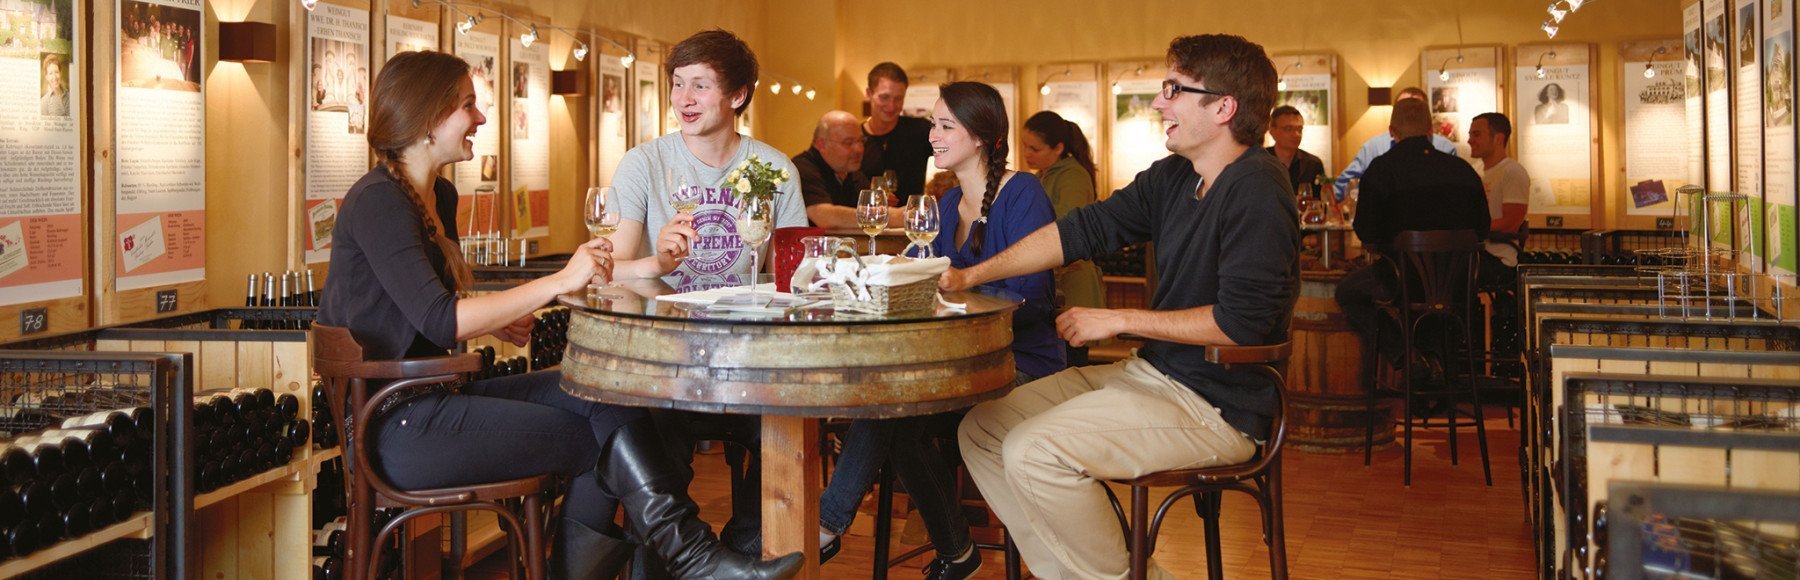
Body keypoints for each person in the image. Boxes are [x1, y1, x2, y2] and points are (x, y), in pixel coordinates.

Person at [315, 50, 800, 580]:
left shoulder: (437, 194)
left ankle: (691, 559)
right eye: (468, 105)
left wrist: (495, 317)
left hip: (436, 395)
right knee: (602, 439)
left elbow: (423, 303)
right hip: (396, 426)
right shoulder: (379, 201)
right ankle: (696, 559)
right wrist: (558, 282)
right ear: (428, 117)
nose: (480, 118)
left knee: (602, 391)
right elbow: (439, 319)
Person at [947, 34, 1299, 579]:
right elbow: (1082, 229)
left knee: (1034, 450)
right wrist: (973, 273)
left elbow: (1242, 324)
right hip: (1154, 377)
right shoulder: (1176, 175)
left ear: (1224, 107)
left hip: (1219, 405)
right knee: (983, 428)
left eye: (1173, 89)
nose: (1159, 103)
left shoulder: (1257, 185)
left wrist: (1120, 319)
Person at [812, 82, 1064, 580]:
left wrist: (951, 295)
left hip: (1020, 363)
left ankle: (828, 526)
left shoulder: (1023, 193)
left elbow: (1031, 297)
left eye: (946, 125)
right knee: (892, 411)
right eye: (933, 123)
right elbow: (920, 282)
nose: (932, 135)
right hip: (956, 367)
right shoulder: (945, 205)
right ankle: (955, 552)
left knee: (893, 415)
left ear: (984, 137)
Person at [605, 29, 808, 559]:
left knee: (787, 442)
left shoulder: (775, 170)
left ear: (737, 95)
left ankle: (737, 558)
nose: (684, 100)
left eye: (700, 85)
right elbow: (608, 271)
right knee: (656, 454)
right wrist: (657, 262)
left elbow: (798, 277)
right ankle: (674, 565)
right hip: (665, 364)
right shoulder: (644, 164)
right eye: (677, 85)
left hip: (751, 363)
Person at [1334, 98, 1490, 391]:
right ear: (1431, 130)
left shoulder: (1381, 170)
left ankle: (1406, 355)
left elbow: (1366, 232)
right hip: (1460, 285)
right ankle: (1435, 362)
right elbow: (1483, 229)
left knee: (1348, 293)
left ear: (1392, 131)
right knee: (1430, 305)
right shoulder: (1463, 171)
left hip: (1400, 283)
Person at [1020, 111, 1106, 314]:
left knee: (1070, 344)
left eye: (1035, 148)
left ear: (1058, 148)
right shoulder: (1043, 175)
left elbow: (1068, 221)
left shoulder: (1073, 175)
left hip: (1072, 281)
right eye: (1025, 146)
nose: (1026, 153)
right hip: (1052, 276)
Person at [1332, 87, 1460, 199]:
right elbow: (1341, 188)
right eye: (1403, 108)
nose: (1410, 114)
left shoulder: (1445, 147)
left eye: (1416, 107)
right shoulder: (1373, 148)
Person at [792, 110, 902, 229]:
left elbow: (866, 207)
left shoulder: (850, 171)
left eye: (861, 141)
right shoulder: (802, 168)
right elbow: (825, 217)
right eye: (848, 143)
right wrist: (892, 216)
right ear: (822, 144)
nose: (859, 149)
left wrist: (880, 206)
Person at [1467, 112, 1530, 272]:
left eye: (1476, 134)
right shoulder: (1475, 171)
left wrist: (1470, 229)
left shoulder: (1512, 172)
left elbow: (1511, 223)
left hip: (1499, 258)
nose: (1470, 140)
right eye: (1470, 135)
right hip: (1476, 253)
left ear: (1498, 139)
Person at [861, 62, 935, 198]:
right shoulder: (855, 139)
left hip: (911, 216)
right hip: (866, 218)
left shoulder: (920, 130)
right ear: (869, 93)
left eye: (898, 98)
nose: (892, 105)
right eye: (885, 97)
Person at [1266, 105, 1324, 192]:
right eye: (1288, 129)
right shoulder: (1262, 161)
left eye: (1299, 129)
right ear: (1272, 131)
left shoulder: (1313, 164)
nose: (1296, 134)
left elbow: (1319, 201)